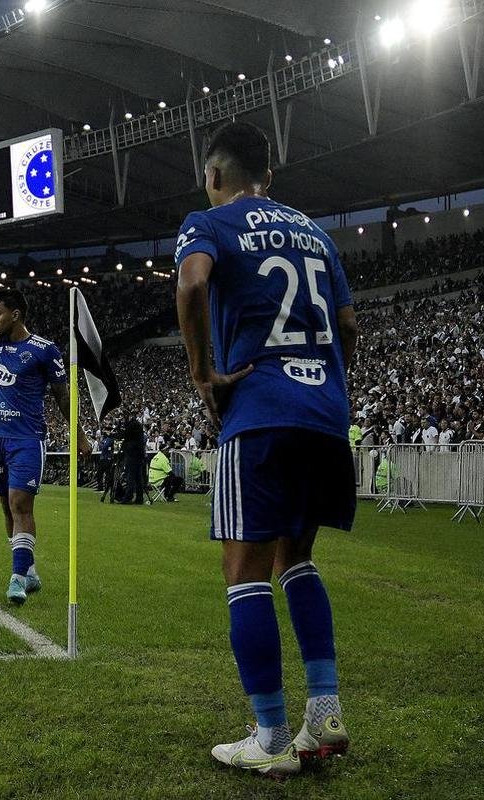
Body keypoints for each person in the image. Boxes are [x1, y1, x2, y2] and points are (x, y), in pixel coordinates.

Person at [176, 121, 358, 777]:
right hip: (323, 415)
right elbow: (346, 325)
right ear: (269, 178)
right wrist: (330, 385)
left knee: (243, 570)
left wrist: (202, 375)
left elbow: (192, 285)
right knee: (297, 559)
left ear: (214, 175)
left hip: (259, 412)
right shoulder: (315, 232)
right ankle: (325, 713)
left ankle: (272, 738)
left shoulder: (210, 221)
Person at [0, 229, 89, 605]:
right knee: (5, 508)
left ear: (16, 314)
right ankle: (28, 569)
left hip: (28, 439)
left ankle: (16, 577)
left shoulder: (45, 350)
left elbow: (64, 396)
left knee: (20, 504)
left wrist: (77, 434)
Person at [120, 418, 147, 506]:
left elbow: (127, 443)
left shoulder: (131, 438)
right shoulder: (139, 436)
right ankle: (139, 498)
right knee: (138, 479)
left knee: (130, 478)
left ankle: (128, 497)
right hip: (139, 457)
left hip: (132, 457)